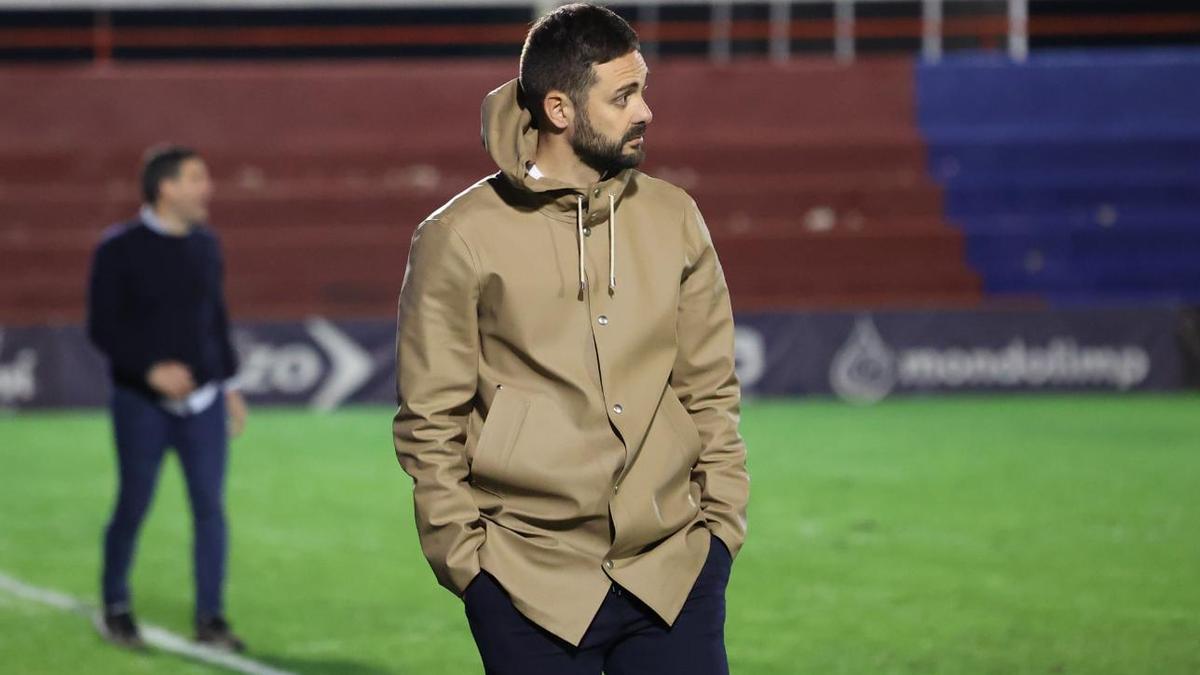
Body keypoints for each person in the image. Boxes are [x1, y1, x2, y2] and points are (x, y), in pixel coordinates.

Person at [392, 4, 749, 673]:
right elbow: (428, 422)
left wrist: (720, 528)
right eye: (623, 96)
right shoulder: (457, 236)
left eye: (641, 89)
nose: (645, 111)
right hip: (527, 582)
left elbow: (710, 388)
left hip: (672, 572)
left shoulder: (675, 218)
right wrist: (470, 567)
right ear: (560, 109)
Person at [87, 144, 248, 652]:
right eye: (197, 178)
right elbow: (103, 326)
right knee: (133, 504)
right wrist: (151, 369)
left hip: (202, 404)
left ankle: (211, 618)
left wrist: (228, 384)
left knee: (210, 510)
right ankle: (115, 606)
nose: (208, 188)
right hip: (140, 403)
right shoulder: (118, 248)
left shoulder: (206, 245)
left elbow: (214, 320)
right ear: (167, 187)